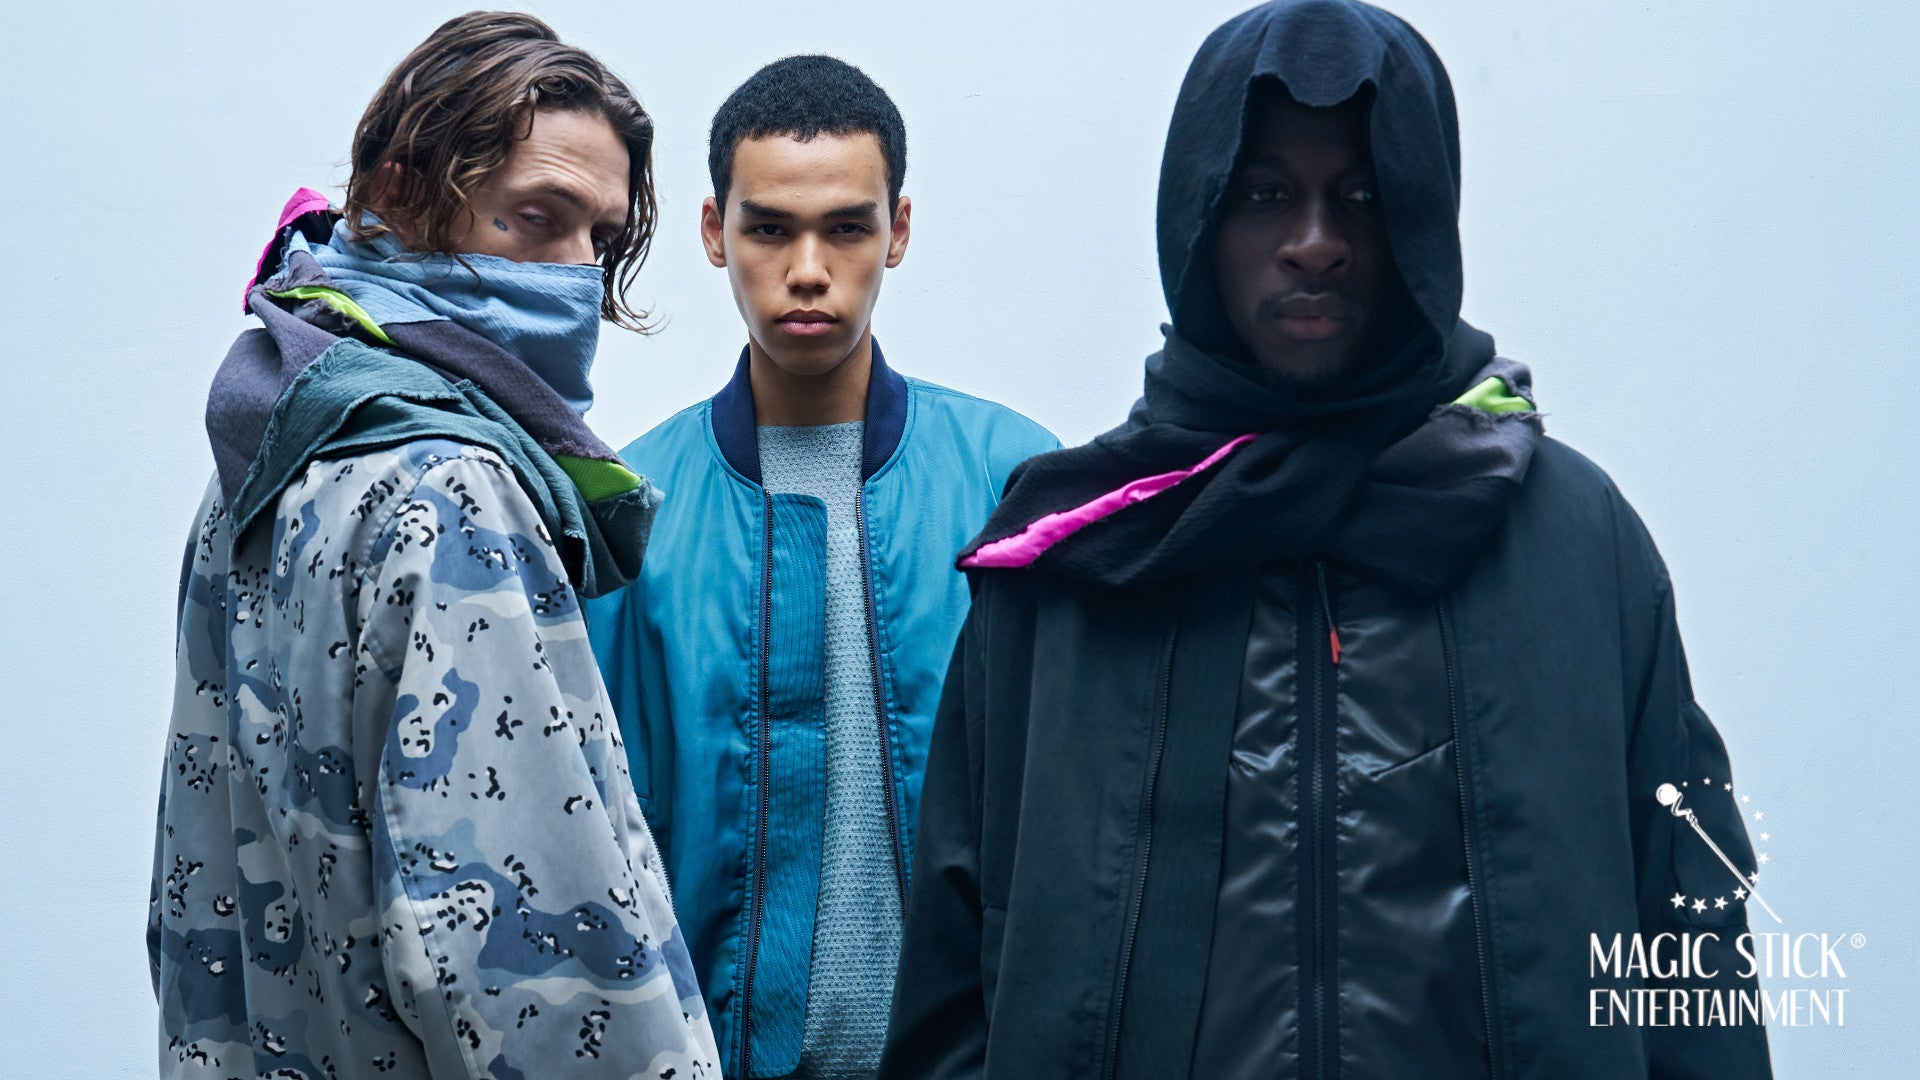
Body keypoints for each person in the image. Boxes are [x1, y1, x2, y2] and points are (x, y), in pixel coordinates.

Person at [881, 2, 1773, 1077]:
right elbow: (954, 981)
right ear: (1198, 220)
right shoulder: (1079, 557)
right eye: (1265, 195)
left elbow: (1690, 952)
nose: (1315, 242)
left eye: (1364, 195)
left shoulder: (1572, 545)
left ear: (1422, 223)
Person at [147, 13, 718, 1078]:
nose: (577, 275)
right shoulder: (453, 490)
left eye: (600, 239)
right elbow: (537, 967)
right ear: (398, 196)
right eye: (537, 219)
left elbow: (197, 903)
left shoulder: (261, 462)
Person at [584, 55, 1058, 1080]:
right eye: (769, 230)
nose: (808, 270)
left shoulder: (1014, 483)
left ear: (899, 230)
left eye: (846, 228)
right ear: (714, 232)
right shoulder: (631, 513)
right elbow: (593, 841)